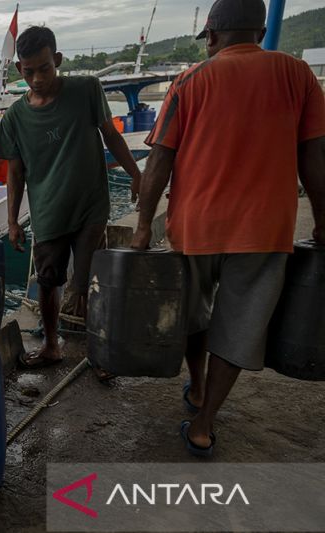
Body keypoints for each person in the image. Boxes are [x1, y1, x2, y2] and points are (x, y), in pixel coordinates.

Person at [131, 0, 325, 457]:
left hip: (196, 225)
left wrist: (142, 226)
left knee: (193, 314)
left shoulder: (190, 80)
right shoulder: (298, 76)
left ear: (213, 36)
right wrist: (322, 216)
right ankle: (204, 422)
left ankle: (196, 385)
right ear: (258, 32)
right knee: (239, 327)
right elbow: (314, 156)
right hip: (264, 229)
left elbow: (160, 159)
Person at [0, 26, 142, 369]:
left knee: (89, 282)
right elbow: (15, 173)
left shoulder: (86, 89)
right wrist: (13, 221)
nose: (37, 79)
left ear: (57, 60)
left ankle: (102, 353)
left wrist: (136, 174)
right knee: (48, 282)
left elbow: (111, 136)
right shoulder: (14, 117)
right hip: (47, 212)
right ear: (19, 69)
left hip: (90, 206)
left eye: (44, 68)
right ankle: (50, 345)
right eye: (28, 71)